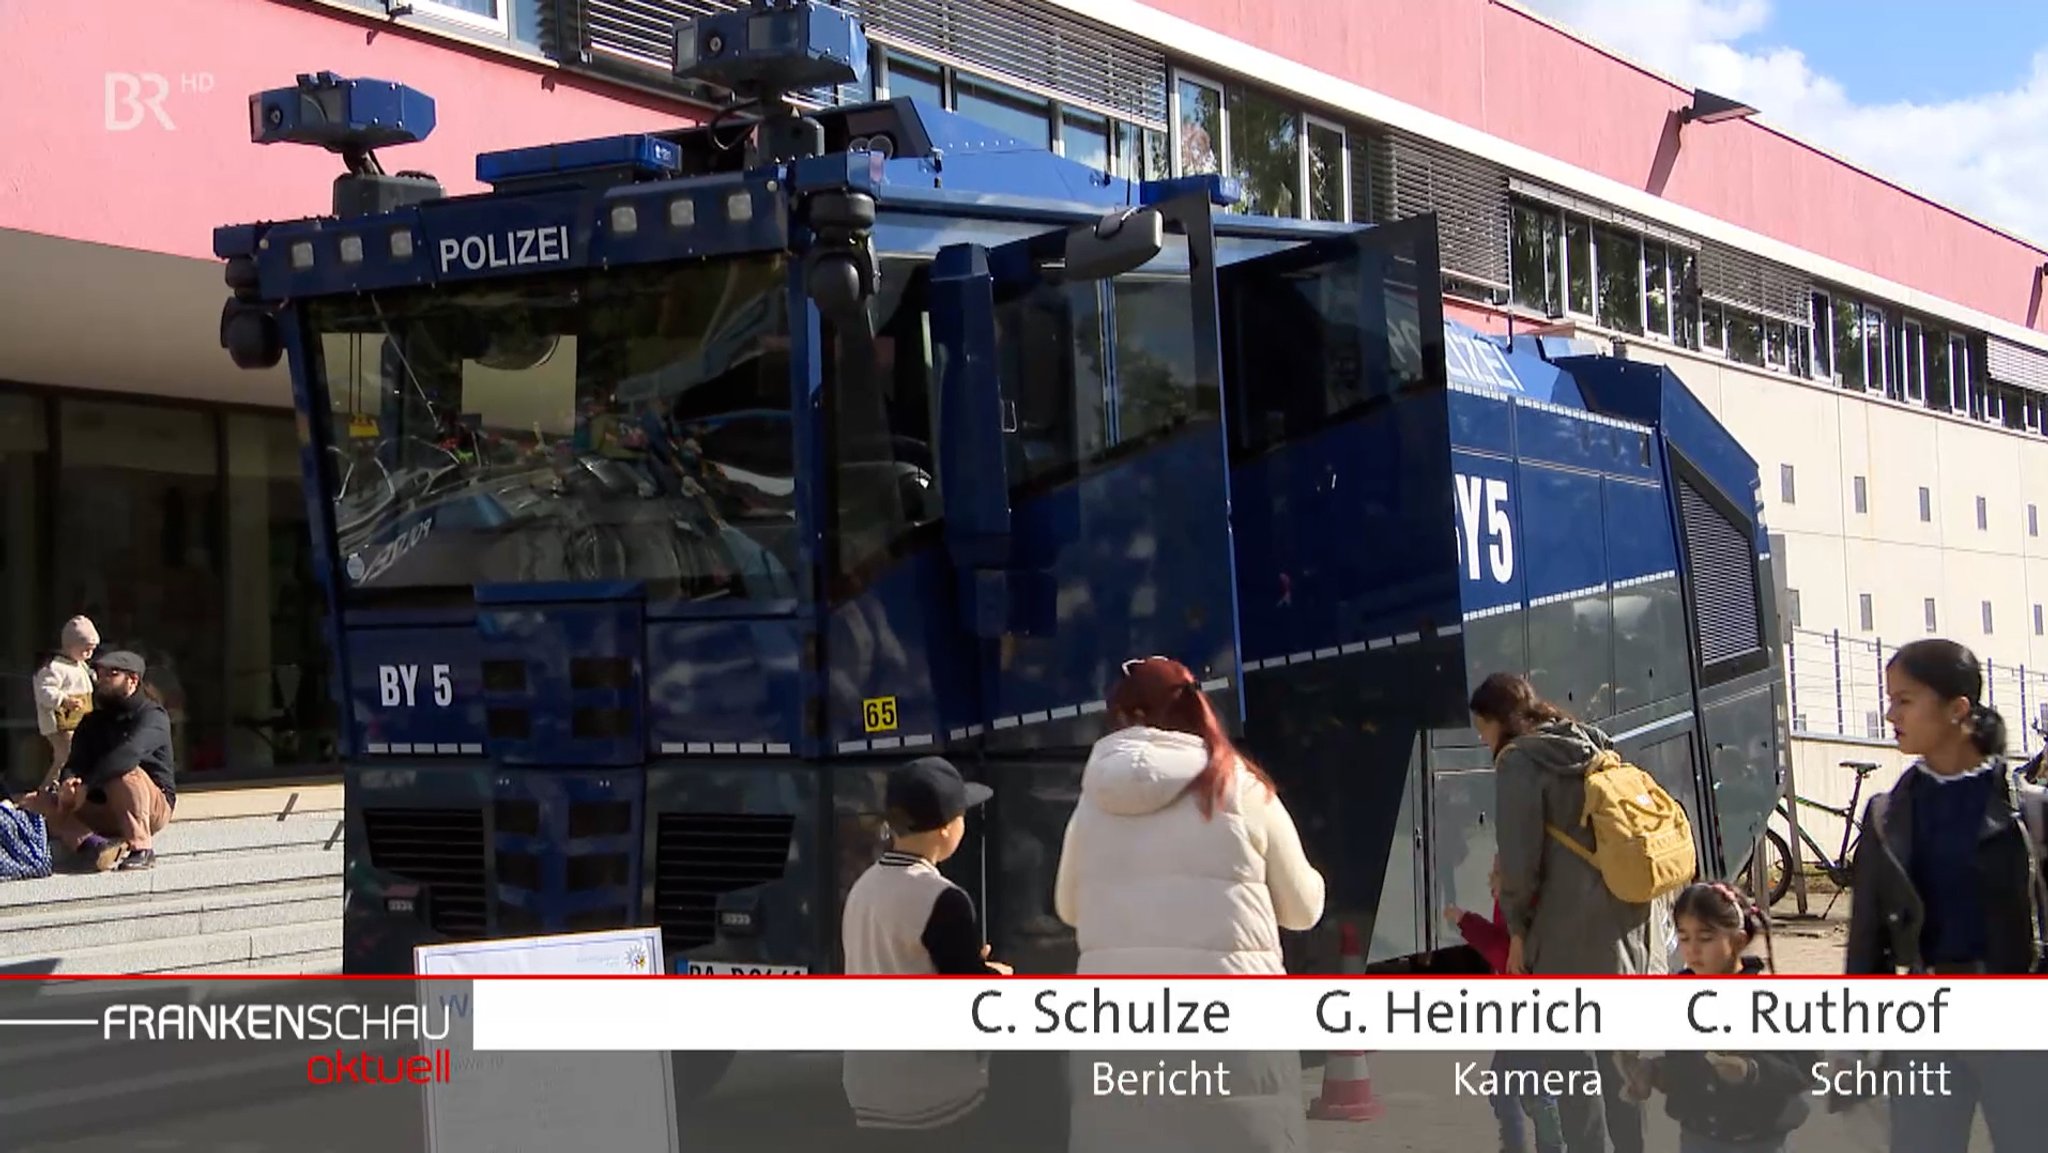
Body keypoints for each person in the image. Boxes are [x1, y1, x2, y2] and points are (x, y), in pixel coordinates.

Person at [1053, 655, 1325, 1153]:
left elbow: (1069, 909)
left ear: (1122, 716)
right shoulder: (1240, 789)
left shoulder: (1091, 803)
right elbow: (1303, 910)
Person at [1843, 638, 2045, 1152]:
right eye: (1890, 699)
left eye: (1905, 700)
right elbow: (1868, 940)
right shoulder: (1887, 816)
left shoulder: (2032, 812)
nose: (1891, 714)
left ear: (1958, 709)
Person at [1471, 671, 1650, 1153]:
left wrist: (1516, 931)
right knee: (1620, 1071)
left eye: (1481, 729)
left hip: (1565, 939)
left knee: (1572, 1072)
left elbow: (1521, 863)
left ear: (1495, 721)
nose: (1483, 740)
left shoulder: (1517, 762)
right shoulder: (1590, 740)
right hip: (1625, 926)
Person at [840, 755, 1009, 1149]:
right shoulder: (942, 898)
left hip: (866, 1086)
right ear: (947, 829)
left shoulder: (863, 887)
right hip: (928, 1092)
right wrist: (995, 976)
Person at [1618, 883, 1811, 1153]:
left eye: (1705, 938)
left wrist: (1752, 1071)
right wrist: (1654, 1073)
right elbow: (1683, 1066)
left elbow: (1803, 1069)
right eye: (1684, 938)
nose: (1692, 950)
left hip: (1759, 1140)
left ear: (1738, 940)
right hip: (1698, 1136)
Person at [17, 650, 175, 872]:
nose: (102, 680)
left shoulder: (152, 716)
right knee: (33, 802)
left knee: (124, 773)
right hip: (99, 804)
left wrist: (89, 784)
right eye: (99, 674)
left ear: (132, 680)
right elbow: (75, 762)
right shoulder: (93, 721)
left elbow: (128, 754)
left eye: (112, 674)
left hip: (150, 807)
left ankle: (142, 848)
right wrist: (69, 784)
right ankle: (96, 845)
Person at [1447, 856, 1564, 1153]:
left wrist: (1466, 922)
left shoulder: (1528, 915)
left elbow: (1508, 959)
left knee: (1536, 1094)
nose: (1490, 878)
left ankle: (1549, 1146)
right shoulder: (1509, 908)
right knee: (1503, 1087)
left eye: (1497, 872)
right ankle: (1515, 1145)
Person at [29, 616, 99, 790]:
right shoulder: (53, 667)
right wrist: (63, 700)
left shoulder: (80, 664)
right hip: (61, 723)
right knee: (65, 756)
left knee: (78, 753)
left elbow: (88, 675)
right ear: (70, 646)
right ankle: (47, 790)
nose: (88, 655)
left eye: (92, 650)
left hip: (80, 719)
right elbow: (45, 691)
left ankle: (69, 788)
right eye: (85, 650)